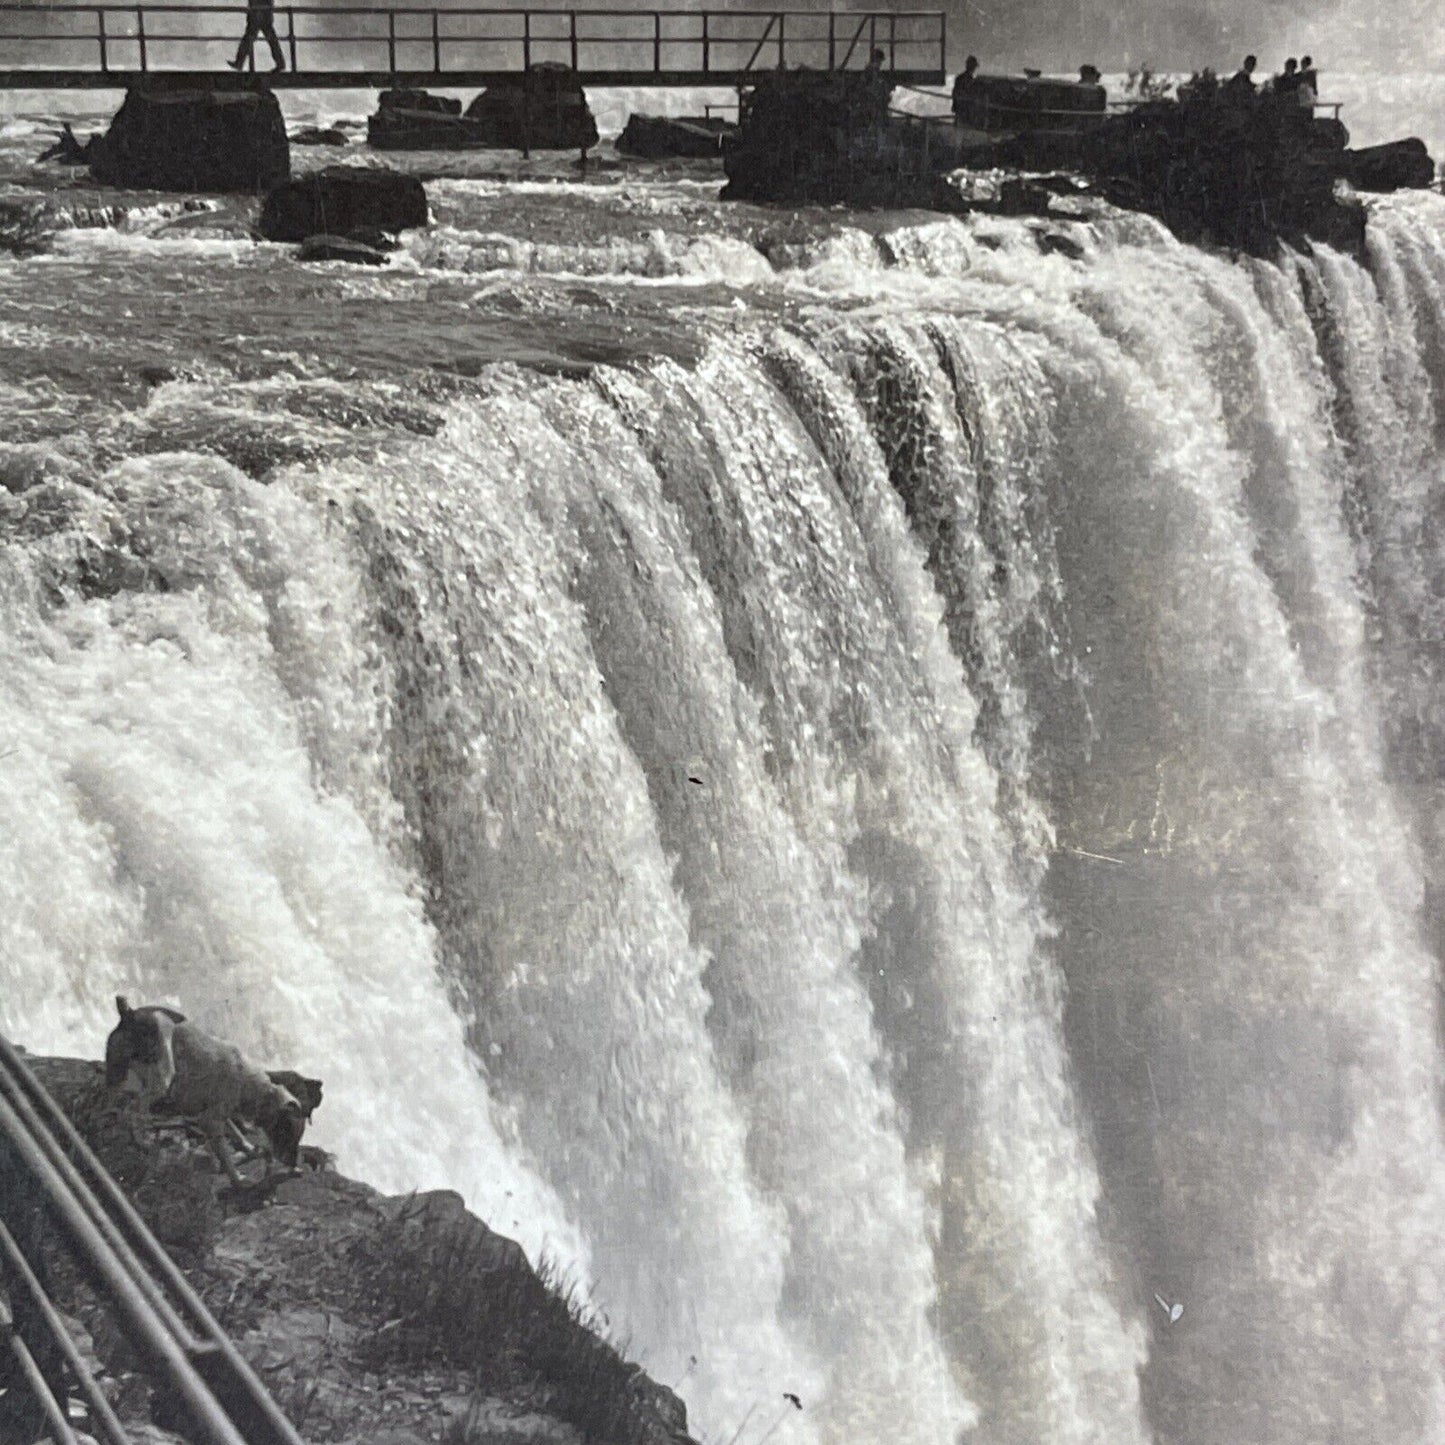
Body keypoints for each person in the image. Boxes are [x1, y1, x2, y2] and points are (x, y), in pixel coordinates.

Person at [228, 0, 286, 73]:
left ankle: (239, 62)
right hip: (262, 12)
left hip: (258, 13)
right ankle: (280, 63)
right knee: (270, 39)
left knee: (249, 38)